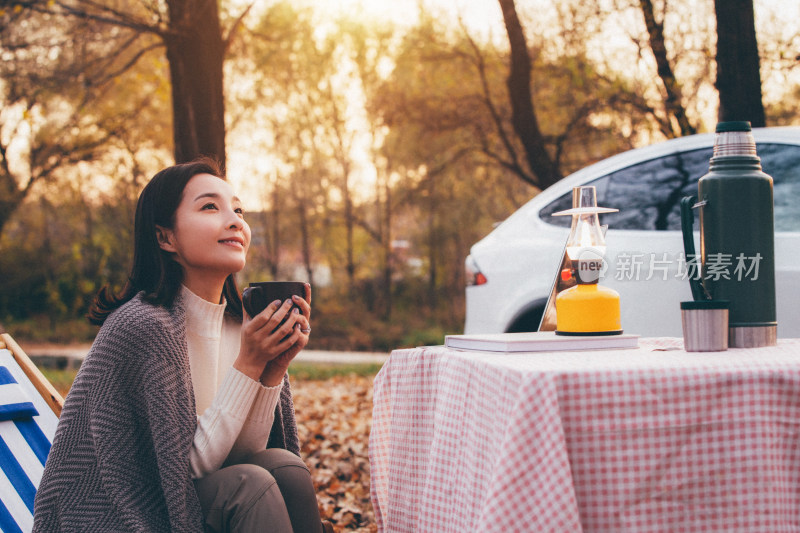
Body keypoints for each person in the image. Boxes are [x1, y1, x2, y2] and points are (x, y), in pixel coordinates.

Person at [33, 158, 332, 533]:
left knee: (282, 467)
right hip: (132, 513)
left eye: (238, 209)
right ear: (165, 237)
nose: (235, 220)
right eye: (210, 207)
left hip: (205, 498)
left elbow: (244, 456)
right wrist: (250, 364)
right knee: (250, 485)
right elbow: (181, 473)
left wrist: (272, 370)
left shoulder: (240, 322)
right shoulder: (142, 326)